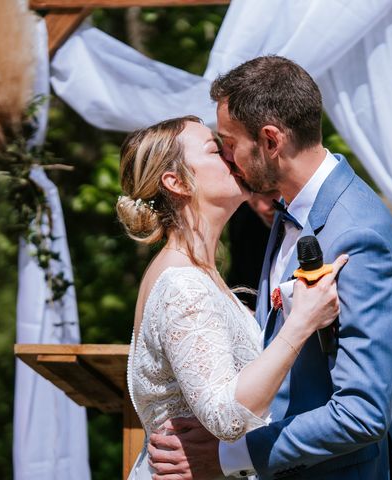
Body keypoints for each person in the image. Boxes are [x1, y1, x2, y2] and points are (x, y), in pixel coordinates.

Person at [148, 56, 392, 479]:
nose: (228, 158)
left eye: (229, 143)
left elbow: (363, 412)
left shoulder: (358, 233)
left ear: (270, 141)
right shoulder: (288, 211)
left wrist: (226, 457)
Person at [116, 114, 348, 480]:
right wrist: (302, 322)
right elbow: (226, 417)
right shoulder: (183, 286)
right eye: (214, 149)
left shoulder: (195, 273)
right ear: (176, 182)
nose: (230, 156)